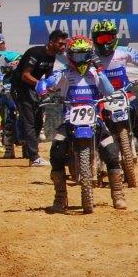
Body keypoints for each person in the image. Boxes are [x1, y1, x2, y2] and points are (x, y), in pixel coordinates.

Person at [37, 37, 125, 212]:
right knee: (56, 151)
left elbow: (108, 91)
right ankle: (60, 197)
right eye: (77, 56)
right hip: (70, 120)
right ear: (70, 56)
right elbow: (47, 82)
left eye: (84, 55)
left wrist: (100, 71)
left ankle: (118, 194)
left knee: (111, 151)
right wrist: (42, 88)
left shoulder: (95, 73)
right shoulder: (64, 73)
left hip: (96, 119)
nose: (80, 60)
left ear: (91, 55)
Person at [89, 19, 138, 151]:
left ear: (114, 38)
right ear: (95, 40)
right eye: (101, 39)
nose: (105, 42)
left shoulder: (125, 51)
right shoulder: (91, 57)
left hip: (124, 91)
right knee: (95, 120)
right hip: (101, 96)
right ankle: (96, 150)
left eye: (108, 38)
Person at [10, 29, 67, 166]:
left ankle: (29, 150)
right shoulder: (36, 52)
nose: (63, 47)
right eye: (60, 44)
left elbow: (48, 77)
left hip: (33, 89)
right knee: (30, 122)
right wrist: (41, 84)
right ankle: (34, 157)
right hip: (21, 88)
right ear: (51, 42)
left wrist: (53, 87)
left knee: (38, 122)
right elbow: (25, 75)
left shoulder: (52, 56)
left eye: (65, 44)